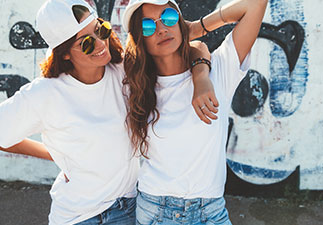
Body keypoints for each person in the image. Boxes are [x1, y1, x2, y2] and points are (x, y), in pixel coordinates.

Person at [0, 0, 215, 224]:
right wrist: (56, 154)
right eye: (86, 44)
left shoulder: (122, 70)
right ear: (64, 54)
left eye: (100, 30)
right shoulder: (46, 93)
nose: (100, 43)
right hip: (81, 217)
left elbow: (194, 46)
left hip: (129, 208)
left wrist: (200, 76)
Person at [122, 0, 267, 224]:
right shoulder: (134, 86)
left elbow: (255, 5)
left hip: (212, 211)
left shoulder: (219, 69)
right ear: (140, 38)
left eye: (169, 17)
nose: (161, 29)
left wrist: (197, 29)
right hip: (157, 212)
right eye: (148, 26)